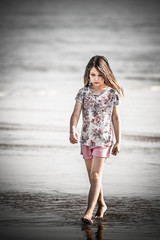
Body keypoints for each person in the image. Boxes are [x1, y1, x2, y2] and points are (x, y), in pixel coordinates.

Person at [69, 55, 124, 224]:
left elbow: (116, 118)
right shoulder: (83, 92)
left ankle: (88, 212)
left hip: (104, 140)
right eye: (93, 75)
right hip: (86, 139)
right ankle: (102, 204)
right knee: (93, 178)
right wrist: (72, 129)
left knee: (95, 175)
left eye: (100, 75)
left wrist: (118, 141)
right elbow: (76, 113)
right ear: (88, 74)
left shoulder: (111, 94)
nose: (96, 79)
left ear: (106, 74)